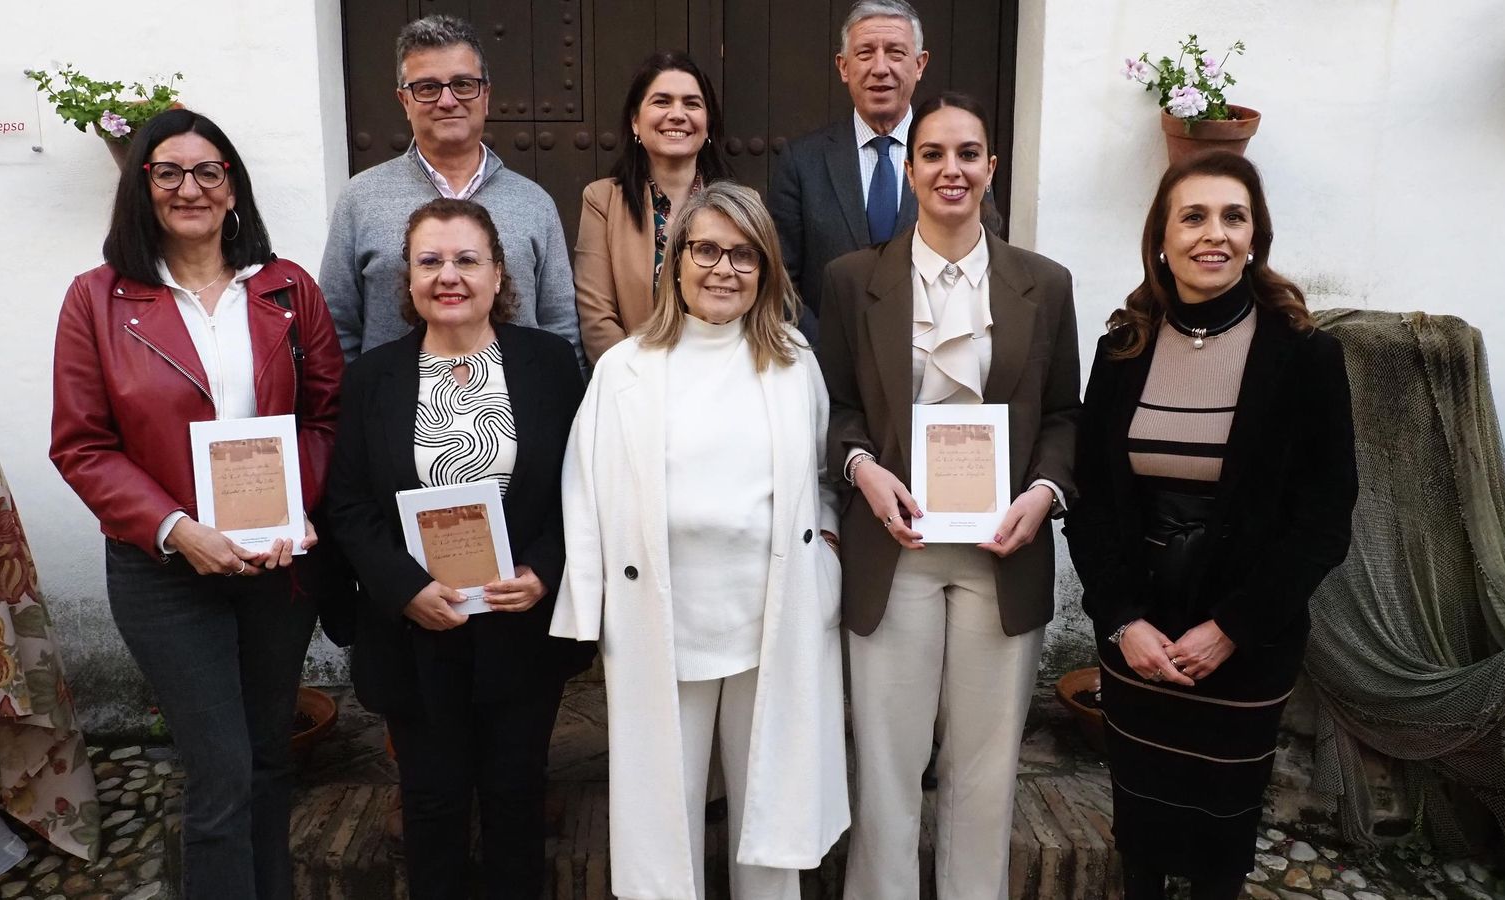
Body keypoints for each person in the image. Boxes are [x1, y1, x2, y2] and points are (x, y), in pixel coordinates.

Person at [50, 108, 343, 900]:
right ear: (141, 188)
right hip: (166, 571)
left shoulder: (287, 290)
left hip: (277, 565)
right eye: (168, 171)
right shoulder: (97, 301)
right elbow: (82, 445)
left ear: (234, 189)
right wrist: (179, 530)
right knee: (220, 769)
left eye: (209, 171)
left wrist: (297, 506)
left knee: (269, 756)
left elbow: (325, 416)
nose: (190, 187)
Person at [1064, 150, 1357, 899]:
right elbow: (1092, 500)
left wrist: (1232, 626)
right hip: (1140, 633)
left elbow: (1326, 517)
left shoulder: (1307, 357)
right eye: (1192, 216)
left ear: (1256, 236)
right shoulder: (1122, 349)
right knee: (1142, 828)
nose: (1213, 234)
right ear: (1161, 237)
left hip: (1246, 639)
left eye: (1234, 217)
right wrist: (1122, 618)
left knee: (1218, 840)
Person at [551, 181, 848, 900]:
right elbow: (584, 488)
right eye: (706, 249)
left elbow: (819, 474)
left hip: (769, 616)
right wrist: (585, 612)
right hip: (662, 619)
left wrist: (829, 560)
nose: (723, 268)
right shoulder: (625, 368)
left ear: (766, 268)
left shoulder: (792, 360)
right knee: (663, 814)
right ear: (675, 262)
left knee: (769, 808)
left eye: (743, 254)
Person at [816, 92, 1079, 900]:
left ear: (991, 168)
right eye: (932, 154)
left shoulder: (1045, 282)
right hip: (896, 550)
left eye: (968, 153)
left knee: (986, 767)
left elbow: (1066, 415)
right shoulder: (853, 280)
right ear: (910, 168)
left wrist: (1043, 493)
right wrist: (863, 469)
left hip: (1004, 550)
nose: (951, 169)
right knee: (889, 766)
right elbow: (834, 410)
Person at [326, 198, 593, 899]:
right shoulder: (372, 379)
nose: (450, 275)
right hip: (416, 631)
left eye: (467, 259)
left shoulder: (550, 366)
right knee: (432, 806)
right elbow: (348, 506)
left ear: (499, 274)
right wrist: (403, 589)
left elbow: (583, 486)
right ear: (407, 281)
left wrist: (544, 571)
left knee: (516, 799)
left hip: (521, 624)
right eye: (431, 261)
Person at [320, 14, 581, 365]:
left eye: (462, 84)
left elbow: (561, 328)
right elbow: (336, 331)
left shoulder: (534, 202)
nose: (447, 101)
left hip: (518, 413)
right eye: (427, 87)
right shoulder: (359, 199)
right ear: (404, 101)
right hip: (394, 412)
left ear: (485, 95)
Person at [766, 0, 927, 340]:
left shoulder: (954, 160)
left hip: (928, 369)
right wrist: (828, 352)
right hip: (826, 366)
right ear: (843, 66)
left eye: (896, 53)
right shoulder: (802, 161)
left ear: (919, 64)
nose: (880, 67)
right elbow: (778, 278)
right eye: (865, 53)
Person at [574, 49, 733, 364]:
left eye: (692, 103)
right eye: (662, 101)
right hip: (636, 390)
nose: (677, 114)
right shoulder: (602, 201)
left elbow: (763, 307)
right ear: (635, 121)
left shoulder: (741, 207)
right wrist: (645, 384)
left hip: (726, 386)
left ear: (707, 121)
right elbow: (597, 319)